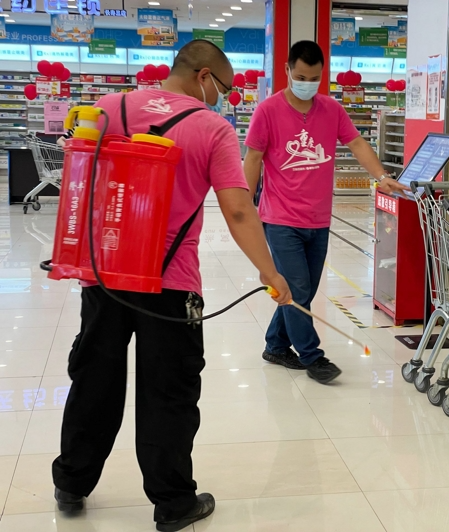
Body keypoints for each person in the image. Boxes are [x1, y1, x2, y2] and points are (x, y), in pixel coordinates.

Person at [51, 40, 291, 532]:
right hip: (171, 283)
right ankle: (173, 502)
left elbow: (78, 177)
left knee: (94, 377)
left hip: (105, 275)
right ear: (204, 77)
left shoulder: (107, 107)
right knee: (169, 392)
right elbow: (239, 208)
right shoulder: (212, 128)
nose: (224, 98)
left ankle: (71, 482)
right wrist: (270, 272)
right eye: (224, 88)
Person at [244, 41, 408, 384]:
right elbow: (254, 159)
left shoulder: (331, 110)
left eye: (315, 78)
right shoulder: (268, 111)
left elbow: (358, 144)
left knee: (299, 291)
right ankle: (312, 356)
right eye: (301, 76)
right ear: (288, 70)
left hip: (318, 219)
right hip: (279, 218)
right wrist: (244, 205)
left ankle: (275, 344)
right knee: (299, 289)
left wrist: (382, 176)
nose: (307, 83)